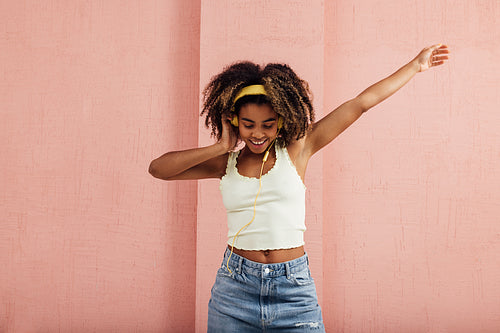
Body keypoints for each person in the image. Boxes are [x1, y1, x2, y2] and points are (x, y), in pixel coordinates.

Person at [149, 44, 449, 332]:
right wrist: (221, 146)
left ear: (281, 120)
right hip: (234, 289)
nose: (257, 133)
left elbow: (360, 104)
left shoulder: (298, 149)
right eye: (248, 124)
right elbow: (159, 169)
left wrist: (415, 66)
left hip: (293, 288)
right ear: (234, 121)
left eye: (268, 124)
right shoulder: (224, 163)